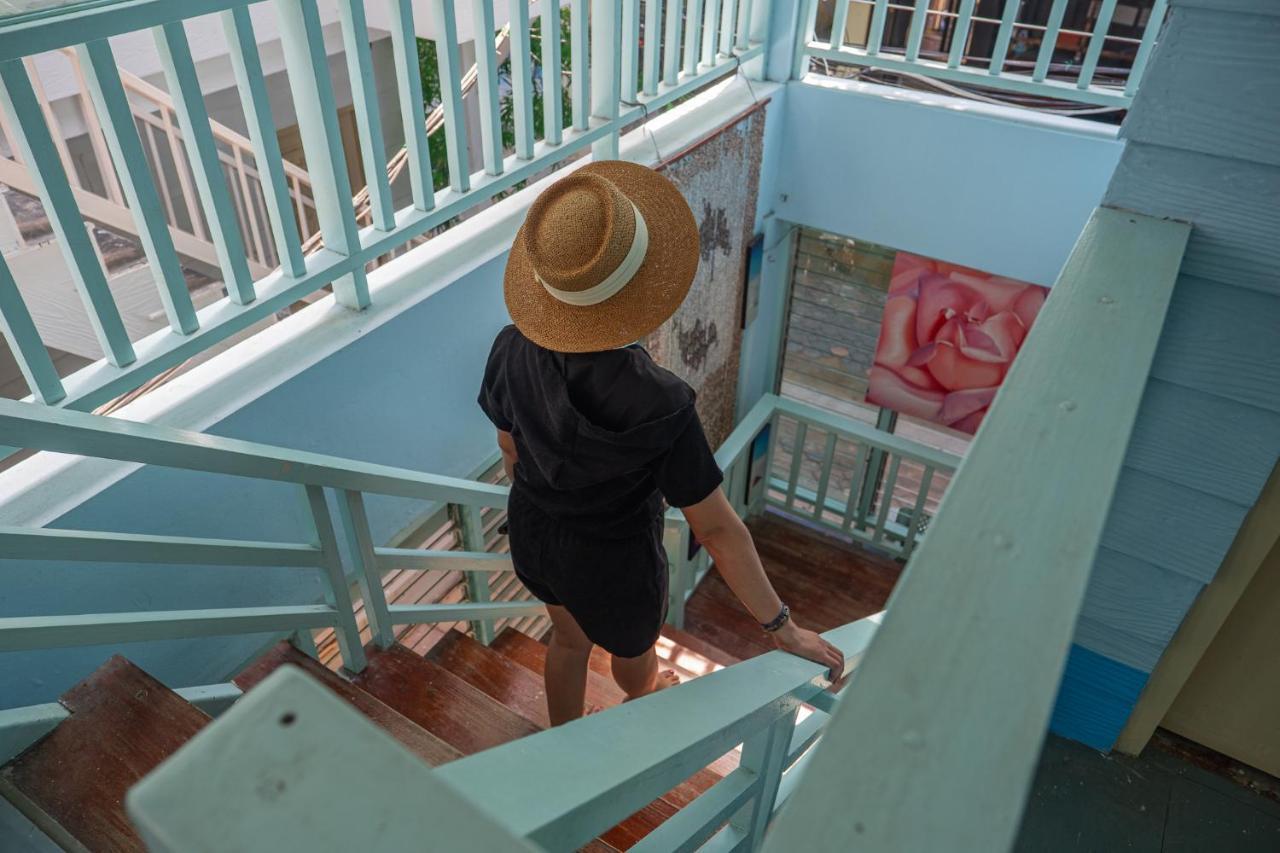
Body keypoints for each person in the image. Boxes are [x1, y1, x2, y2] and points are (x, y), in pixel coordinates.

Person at [478, 161, 844, 725]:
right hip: (615, 560)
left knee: (568, 636)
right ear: (640, 289)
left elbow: (510, 450)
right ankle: (642, 695)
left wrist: (555, 496)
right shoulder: (661, 401)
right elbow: (717, 528)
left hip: (534, 532)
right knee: (633, 650)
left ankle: (559, 746)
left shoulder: (511, 346)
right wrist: (783, 628)